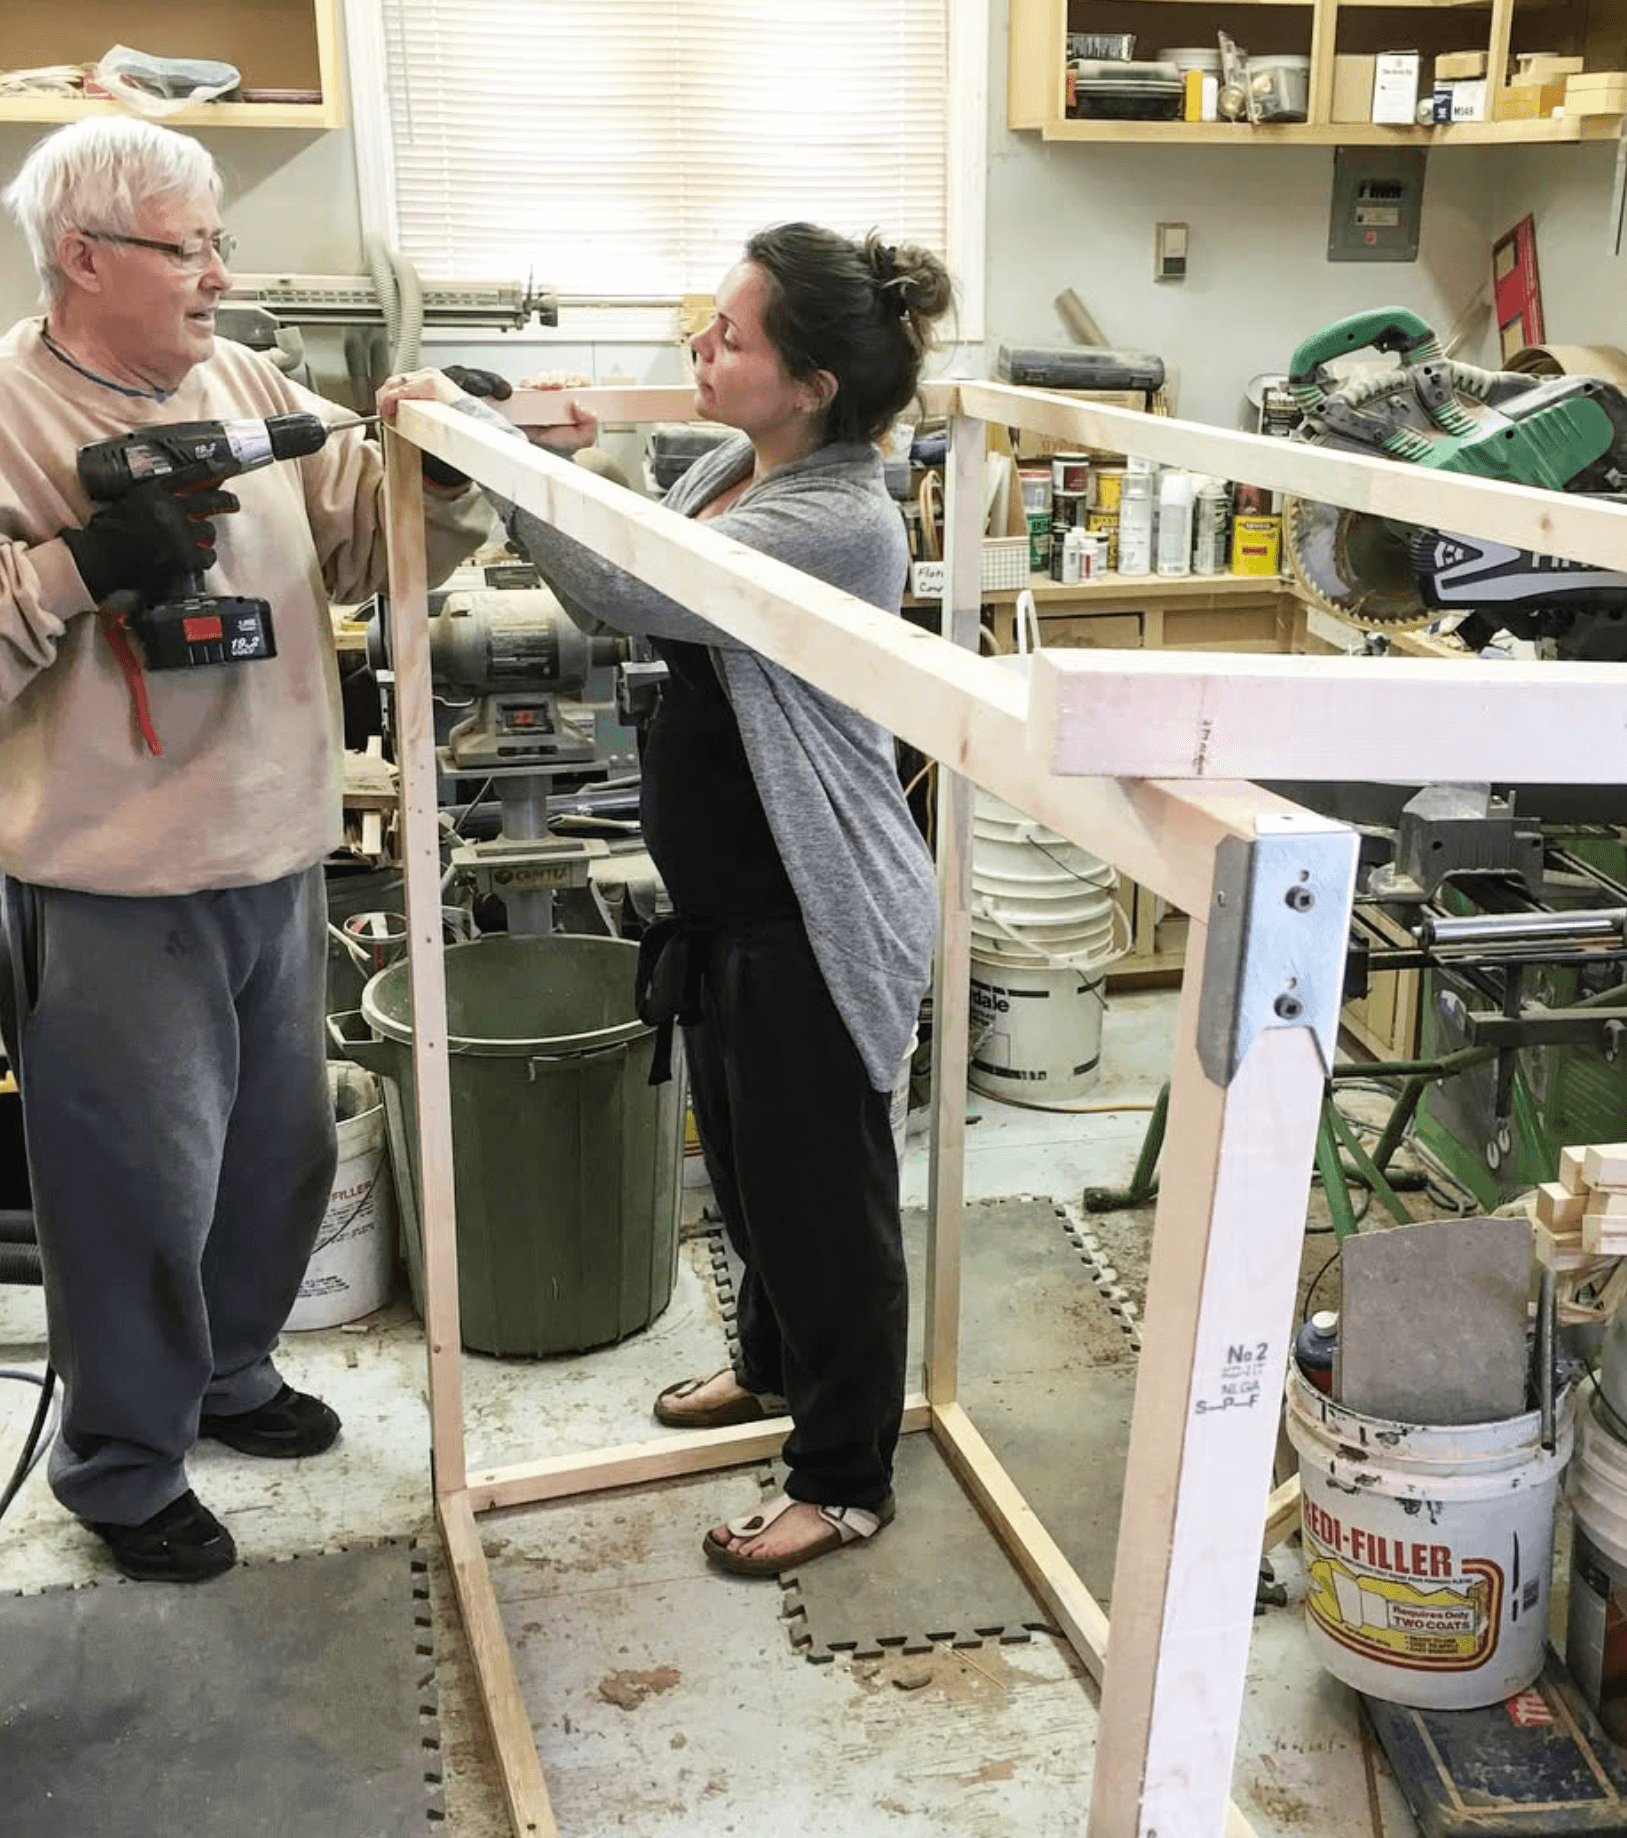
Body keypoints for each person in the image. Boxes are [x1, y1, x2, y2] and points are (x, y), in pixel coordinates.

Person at [382, 223, 952, 1575]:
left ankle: (843, 1472)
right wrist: (557, 452)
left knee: (824, 1206)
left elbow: (624, 580)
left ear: (810, 384)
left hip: (816, 916)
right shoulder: (731, 465)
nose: (703, 345)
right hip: (730, 913)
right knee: (751, 1183)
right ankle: (768, 1369)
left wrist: (509, 458)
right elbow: (640, 523)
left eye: (733, 336)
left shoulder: (838, 517)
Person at [0, 117, 492, 1581]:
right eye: (189, 246)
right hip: (110, 885)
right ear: (86, 259)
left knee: (274, 1159)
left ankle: (226, 1378)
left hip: (278, 855)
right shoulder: (9, 411)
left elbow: (356, 541)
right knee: (132, 1191)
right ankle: (122, 1464)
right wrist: (81, 566)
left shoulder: (244, 382)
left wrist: (444, 464)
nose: (220, 273)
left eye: (218, 242)